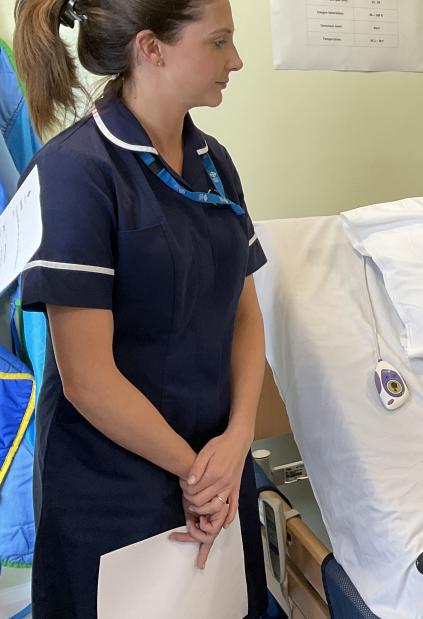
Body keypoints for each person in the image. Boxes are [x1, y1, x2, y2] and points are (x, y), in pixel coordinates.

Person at [14, 0, 267, 615]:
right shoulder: (76, 171)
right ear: (151, 48)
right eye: (218, 42)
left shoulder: (214, 163)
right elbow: (88, 380)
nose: (236, 60)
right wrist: (195, 473)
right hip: (114, 483)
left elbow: (246, 315)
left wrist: (236, 442)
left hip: (219, 467)